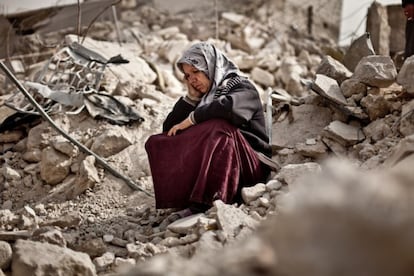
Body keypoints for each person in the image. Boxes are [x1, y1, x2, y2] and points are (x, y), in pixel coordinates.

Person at [145, 41, 272, 218]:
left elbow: (230, 108)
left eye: (196, 71)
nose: (192, 79)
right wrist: (191, 99)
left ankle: (204, 204)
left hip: (249, 167)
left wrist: (192, 119)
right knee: (157, 142)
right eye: (187, 76)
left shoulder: (242, 87)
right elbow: (170, 130)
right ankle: (184, 198)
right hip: (222, 168)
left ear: (211, 66)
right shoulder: (205, 99)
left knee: (219, 126)